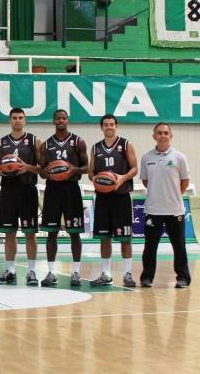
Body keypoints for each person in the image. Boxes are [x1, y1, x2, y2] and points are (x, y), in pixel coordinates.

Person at [89, 114, 138, 288]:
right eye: (106, 124)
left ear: (116, 126)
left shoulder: (126, 144)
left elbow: (134, 168)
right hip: (103, 198)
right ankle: (106, 274)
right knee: (104, 237)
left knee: (125, 238)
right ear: (101, 127)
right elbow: (91, 172)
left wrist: (122, 178)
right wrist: (96, 179)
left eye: (111, 124)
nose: (109, 127)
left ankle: (127, 274)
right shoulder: (95, 148)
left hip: (121, 196)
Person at [40, 109, 88, 287]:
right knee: (51, 232)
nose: (61, 121)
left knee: (75, 233)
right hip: (53, 190)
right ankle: (51, 272)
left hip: (71, 189)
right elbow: (42, 171)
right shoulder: (45, 145)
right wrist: (49, 172)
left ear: (67, 120)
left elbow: (87, 167)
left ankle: (76, 272)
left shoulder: (78, 141)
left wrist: (73, 169)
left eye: (64, 118)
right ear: (54, 121)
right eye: (58, 118)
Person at [139, 123, 191, 289]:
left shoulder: (179, 157)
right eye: (159, 133)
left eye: (166, 133)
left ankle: (182, 278)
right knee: (150, 247)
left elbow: (185, 181)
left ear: (170, 136)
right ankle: (147, 278)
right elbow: (146, 181)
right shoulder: (146, 158)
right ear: (154, 136)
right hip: (153, 210)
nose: (163, 135)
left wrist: (172, 196)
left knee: (179, 246)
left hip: (175, 210)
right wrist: (158, 194)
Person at [0, 107, 42, 286]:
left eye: (20, 117)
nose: (17, 120)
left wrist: (27, 167)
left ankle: (31, 271)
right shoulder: (1, 142)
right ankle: (10, 270)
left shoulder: (34, 141)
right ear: (10, 120)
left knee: (30, 233)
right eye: (14, 118)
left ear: (25, 120)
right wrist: (1, 170)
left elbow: (42, 168)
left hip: (27, 190)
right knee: (9, 233)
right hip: (8, 190)